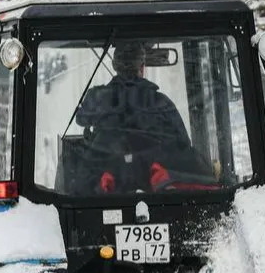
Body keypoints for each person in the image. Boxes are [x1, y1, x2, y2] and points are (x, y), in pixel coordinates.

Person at [73, 40, 196, 193]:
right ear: (142, 67)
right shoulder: (161, 103)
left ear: (114, 65)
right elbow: (184, 145)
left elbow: (81, 119)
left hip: (105, 195)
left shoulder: (98, 98)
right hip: (159, 195)